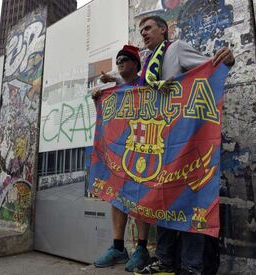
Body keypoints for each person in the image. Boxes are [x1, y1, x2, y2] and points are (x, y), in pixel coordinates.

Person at [133, 16, 235, 275]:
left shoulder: (175, 49)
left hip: (185, 140)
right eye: (140, 30)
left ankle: (192, 267)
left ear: (163, 30)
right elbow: (139, 93)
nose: (143, 33)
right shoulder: (148, 65)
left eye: (148, 28)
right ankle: (166, 262)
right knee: (162, 200)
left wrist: (228, 59)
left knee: (189, 202)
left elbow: (210, 68)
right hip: (160, 143)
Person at [92, 45, 152, 272]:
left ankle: (141, 248)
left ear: (136, 64)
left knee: (140, 198)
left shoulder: (146, 84)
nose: (120, 63)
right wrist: (97, 97)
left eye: (126, 59)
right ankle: (118, 247)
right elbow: (105, 117)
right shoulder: (113, 90)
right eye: (118, 60)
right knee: (116, 196)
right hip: (118, 151)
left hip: (143, 148)